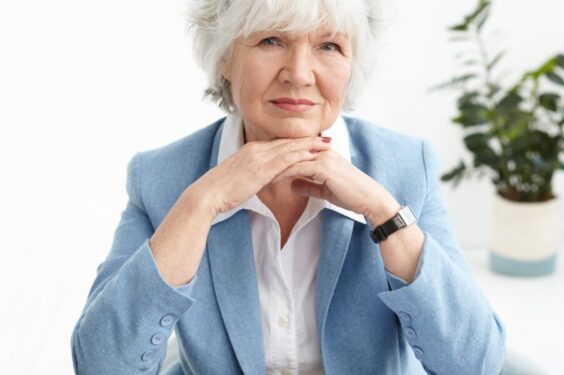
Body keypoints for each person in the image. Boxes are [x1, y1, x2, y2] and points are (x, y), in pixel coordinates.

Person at [70, 0, 506, 374]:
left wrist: (383, 213)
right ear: (224, 55)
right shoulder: (161, 176)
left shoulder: (408, 168)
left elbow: (475, 363)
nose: (299, 74)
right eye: (271, 41)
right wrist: (201, 204)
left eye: (329, 46)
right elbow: (101, 364)